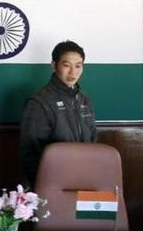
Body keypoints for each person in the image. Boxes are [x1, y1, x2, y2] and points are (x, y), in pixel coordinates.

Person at [18, 40, 97, 185]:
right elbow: (30, 154)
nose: (73, 72)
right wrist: (44, 187)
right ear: (54, 66)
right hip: (54, 183)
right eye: (66, 65)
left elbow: (93, 141)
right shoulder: (39, 102)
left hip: (85, 178)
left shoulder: (84, 99)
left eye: (78, 66)